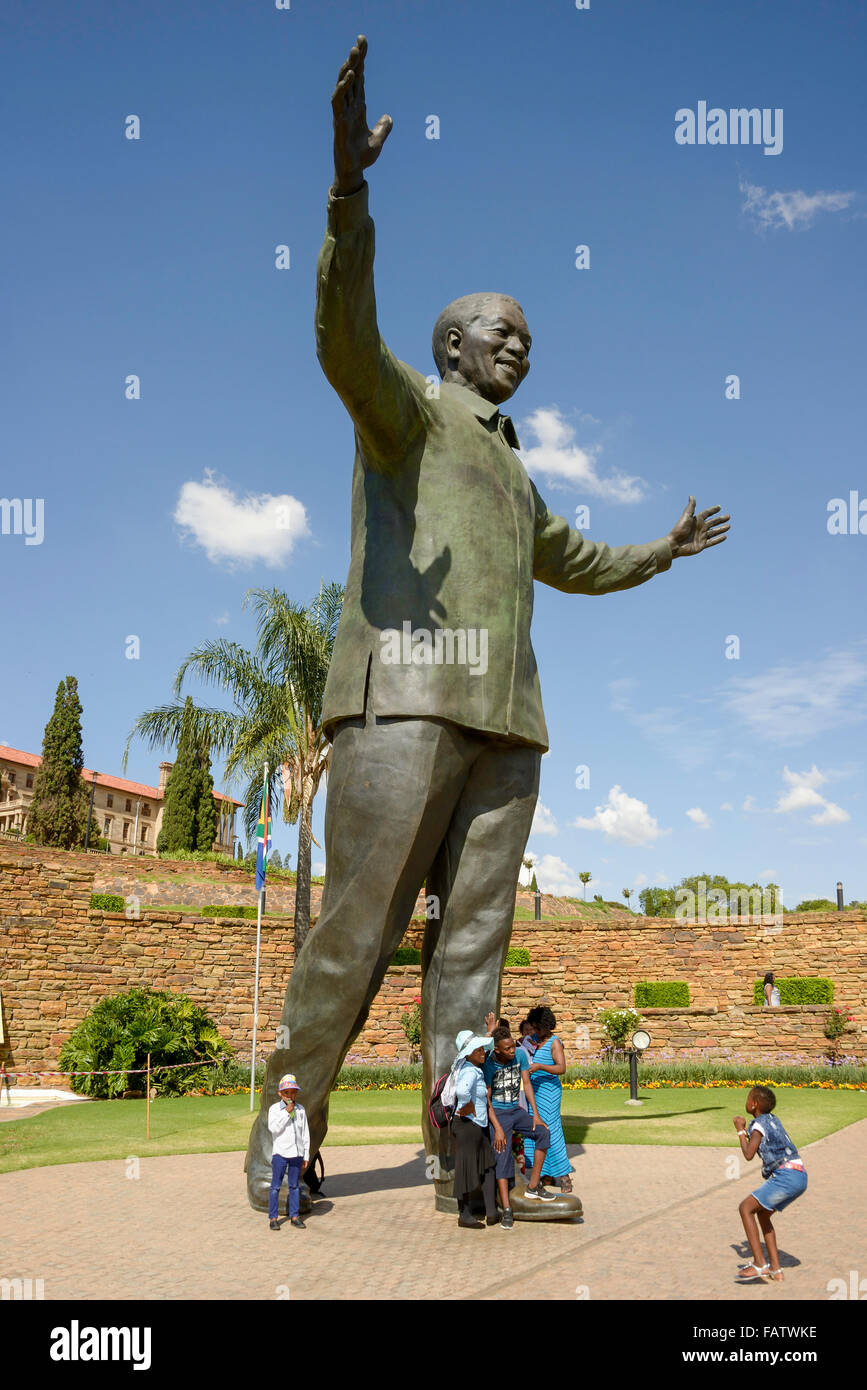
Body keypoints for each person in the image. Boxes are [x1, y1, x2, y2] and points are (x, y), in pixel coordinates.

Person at [245, 32, 730, 1214]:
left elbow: (575, 558)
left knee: (472, 957)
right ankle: (284, 1133)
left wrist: (659, 552)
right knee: (354, 939)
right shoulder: (405, 413)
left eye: (528, 335)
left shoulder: (516, 475)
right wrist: (350, 196)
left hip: (508, 729)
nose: (518, 342)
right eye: (497, 329)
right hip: (403, 706)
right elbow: (339, 340)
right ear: (450, 347)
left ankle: (469, 1157)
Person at [483, 1026, 555, 1228]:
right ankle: (506, 1208)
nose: (512, 1051)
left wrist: (536, 1115)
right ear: (497, 1049)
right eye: (507, 1049)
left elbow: (527, 1084)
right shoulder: (489, 1064)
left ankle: (533, 1186)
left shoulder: (521, 1055)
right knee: (502, 1155)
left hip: (515, 1110)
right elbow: (487, 1098)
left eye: (512, 1046)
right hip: (498, 1113)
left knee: (543, 1133)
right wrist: (496, 1127)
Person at [734, 1085, 807, 1282]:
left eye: (749, 1098)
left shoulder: (757, 1125)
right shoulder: (773, 1120)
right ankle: (776, 1269)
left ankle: (760, 1264)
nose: (747, 1101)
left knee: (745, 1208)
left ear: (754, 1104)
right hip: (800, 1175)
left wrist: (740, 1130)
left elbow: (749, 1154)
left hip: (786, 1176)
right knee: (763, 1216)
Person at [522, 1007, 574, 1192]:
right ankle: (545, 1175)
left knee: (551, 1130)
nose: (535, 1031)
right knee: (536, 1130)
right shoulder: (532, 1041)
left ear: (546, 1025)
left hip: (549, 1092)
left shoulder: (554, 1042)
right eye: (533, 1028)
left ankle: (564, 1176)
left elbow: (561, 1068)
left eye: (538, 1028)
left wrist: (540, 1066)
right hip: (533, 1092)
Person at [452, 1030, 500, 1229]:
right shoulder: (470, 1071)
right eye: (478, 1049)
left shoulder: (472, 1067)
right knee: (465, 1169)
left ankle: (491, 1211)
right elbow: (461, 1091)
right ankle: (464, 1215)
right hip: (466, 1126)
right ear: (468, 1053)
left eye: (482, 1048)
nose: (483, 1052)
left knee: (487, 1165)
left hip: (476, 1125)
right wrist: (468, 1104)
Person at [267, 1074, 310, 1231]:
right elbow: (274, 1129)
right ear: (280, 1093)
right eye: (286, 1093)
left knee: (294, 1186)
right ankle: (273, 1218)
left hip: (296, 1154)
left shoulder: (301, 1110)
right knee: (275, 1187)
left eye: (293, 1092)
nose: (290, 1096)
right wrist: (286, 1112)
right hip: (280, 1153)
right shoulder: (274, 1110)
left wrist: (305, 1155)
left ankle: (294, 1216)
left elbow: (305, 1133)